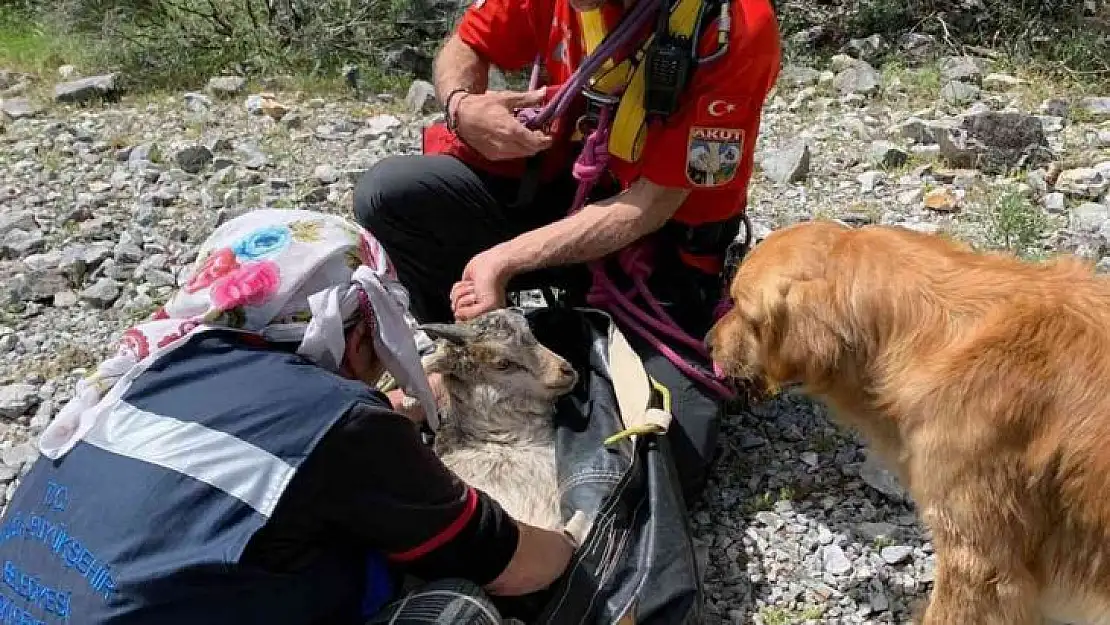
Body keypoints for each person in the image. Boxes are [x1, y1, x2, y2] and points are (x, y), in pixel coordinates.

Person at [0, 209, 574, 625]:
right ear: (352, 332)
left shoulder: (150, 367)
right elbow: (512, 562)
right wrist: (580, 540)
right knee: (459, 608)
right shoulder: (340, 420)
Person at [353, 0, 782, 501]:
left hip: (658, 249)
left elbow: (650, 205)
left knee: (668, 453)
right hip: (562, 190)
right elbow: (466, 43)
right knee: (394, 195)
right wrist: (462, 107)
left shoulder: (734, 27)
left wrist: (505, 259)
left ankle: (549, 369)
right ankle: (467, 366)